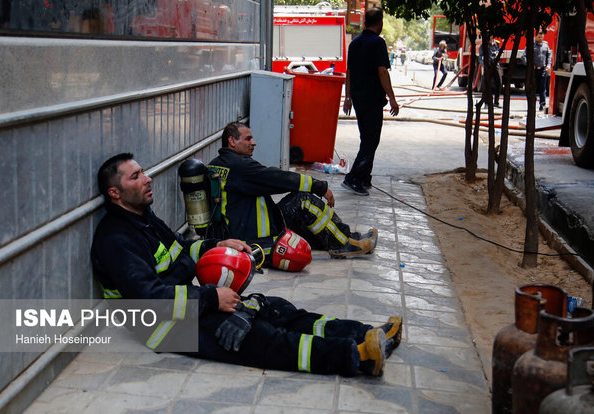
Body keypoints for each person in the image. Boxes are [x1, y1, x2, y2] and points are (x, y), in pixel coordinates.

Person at [90, 153, 402, 377]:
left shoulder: (142, 218)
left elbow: (181, 247)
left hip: (185, 307)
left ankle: (365, 334)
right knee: (258, 337)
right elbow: (150, 301)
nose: (148, 178)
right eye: (136, 176)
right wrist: (213, 299)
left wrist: (218, 244)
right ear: (115, 193)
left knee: (274, 308)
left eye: (143, 172)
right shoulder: (116, 239)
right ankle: (358, 357)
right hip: (163, 329)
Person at [207, 122, 378, 261]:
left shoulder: (217, 164)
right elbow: (278, 179)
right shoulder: (240, 166)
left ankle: (347, 236)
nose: (254, 142)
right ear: (232, 141)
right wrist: (319, 186)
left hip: (242, 230)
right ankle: (344, 245)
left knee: (304, 216)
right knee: (304, 201)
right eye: (248, 139)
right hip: (257, 238)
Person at [342, 7, 399, 196]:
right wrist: (392, 98)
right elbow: (382, 72)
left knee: (367, 137)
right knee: (371, 140)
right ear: (380, 23)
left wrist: (347, 97)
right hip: (373, 99)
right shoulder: (378, 43)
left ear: (365, 21)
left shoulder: (355, 43)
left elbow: (349, 73)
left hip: (358, 98)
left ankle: (365, 177)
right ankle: (353, 178)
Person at [522, 30, 552, 111]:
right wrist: (530, 66)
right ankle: (532, 104)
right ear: (535, 37)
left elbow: (549, 56)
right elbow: (523, 56)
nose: (540, 38)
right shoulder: (531, 45)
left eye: (542, 37)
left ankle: (542, 103)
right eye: (539, 37)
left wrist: (548, 65)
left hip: (542, 70)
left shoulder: (545, 45)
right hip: (533, 71)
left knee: (542, 88)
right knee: (532, 87)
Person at [479, 36, 502, 108]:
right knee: (487, 84)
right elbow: (480, 57)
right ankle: (486, 102)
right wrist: (484, 65)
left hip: (496, 65)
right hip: (488, 66)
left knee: (499, 82)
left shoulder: (497, 44)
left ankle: (496, 102)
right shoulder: (484, 45)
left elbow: (498, 53)